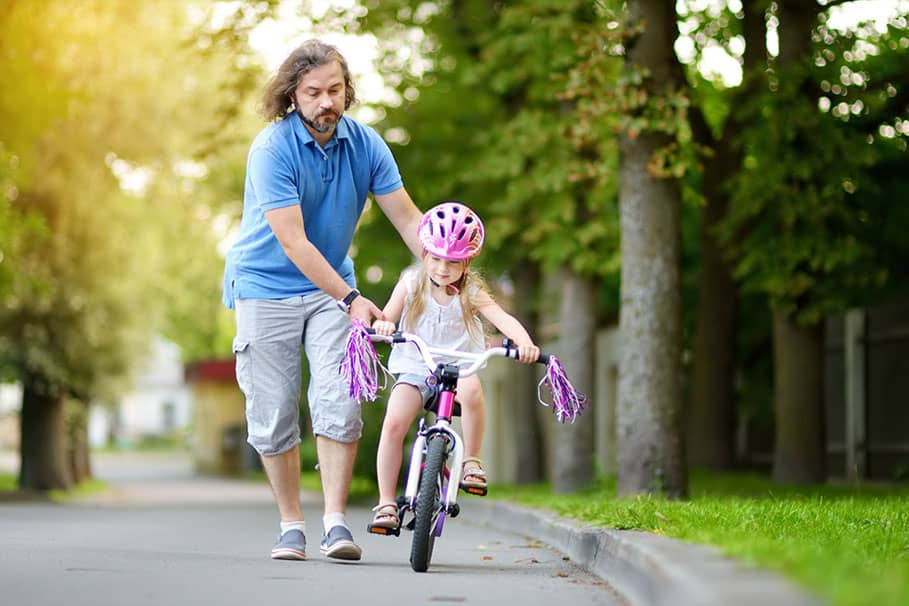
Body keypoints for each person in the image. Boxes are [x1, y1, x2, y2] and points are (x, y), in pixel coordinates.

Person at [222, 39, 423, 562]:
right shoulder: (272, 148)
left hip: (331, 288)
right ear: (293, 95)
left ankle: (335, 523)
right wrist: (354, 297)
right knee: (273, 413)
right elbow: (294, 242)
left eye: (335, 89)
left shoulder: (367, 145)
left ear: (347, 90)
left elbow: (406, 218)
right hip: (265, 288)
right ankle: (291, 524)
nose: (325, 102)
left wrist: (448, 257)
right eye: (313, 92)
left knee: (339, 401)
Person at [368, 201, 541, 531]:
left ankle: (472, 460)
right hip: (417, 366)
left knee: (473, 388)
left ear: (467, 262)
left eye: (453, 261)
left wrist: (524, 342)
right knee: (394, 422)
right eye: (435, 258)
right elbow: (387, 316)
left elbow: (502, 318)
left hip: (458, 368)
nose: (442, 268)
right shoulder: (411, 282)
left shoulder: (471, 292)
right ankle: (387, 502)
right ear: (425, 253)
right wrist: (385, 326)